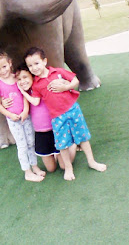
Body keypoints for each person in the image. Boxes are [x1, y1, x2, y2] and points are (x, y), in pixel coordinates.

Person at [21, 47, 107, 181]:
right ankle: (68, 168)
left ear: (44, 61)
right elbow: (36, 101)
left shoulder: (58, 72)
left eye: (36, 63)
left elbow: (75, 80)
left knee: (83, 137)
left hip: (73, 110)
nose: (34, 67)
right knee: (62, 144)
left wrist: (65, 87)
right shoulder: (36, 84)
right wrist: (23, 92)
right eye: (30, 65)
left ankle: (92, 161)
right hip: (56, 117)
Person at [0, 52, 45, 183]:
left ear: (10, 63)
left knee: (31, 142)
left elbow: (24, 94)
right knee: (22, 145)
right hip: (14, 120)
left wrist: (25, 110)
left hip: (26, 117)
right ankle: (27, 172)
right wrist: (10, 115)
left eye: (4, 66)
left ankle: (35, 166)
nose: (2, 71)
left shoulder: (17, 78)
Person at [13, 63, 77, 172]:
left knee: (63, 166)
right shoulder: (23, 93)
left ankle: (73, 144)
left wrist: (65, 83)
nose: (22, 81)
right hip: (40, 133)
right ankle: (57, 154)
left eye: (25, 77)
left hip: (55, 128)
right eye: (19, 79)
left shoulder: (41, 86)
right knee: (51, 169)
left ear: (32, 76)